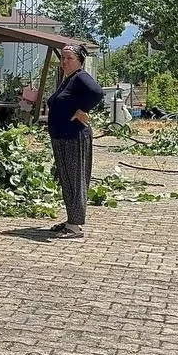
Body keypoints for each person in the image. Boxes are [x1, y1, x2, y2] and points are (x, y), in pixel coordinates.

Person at [45, 45, 105, 240]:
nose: (64, 62)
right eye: (62, 58)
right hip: (62, 136)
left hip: (74, 137)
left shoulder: (80, 77)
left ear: (79, 60)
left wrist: (83, 109)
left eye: (69, 58)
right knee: (67, 180)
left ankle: (75, 226)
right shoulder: (68, 80)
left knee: (75, 179)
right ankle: (72, 219)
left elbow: (96, 92)